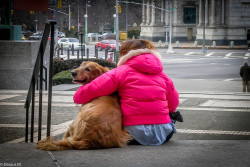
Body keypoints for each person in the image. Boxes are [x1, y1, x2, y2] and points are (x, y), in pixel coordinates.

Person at [73, 39, 180, 145]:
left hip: (133, 134)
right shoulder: (163, 75)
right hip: (164, 133)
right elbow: (173, 104)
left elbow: (85, 93)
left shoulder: (120, 72)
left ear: (124, 54)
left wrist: (79, 94)